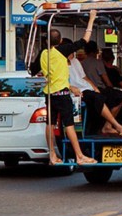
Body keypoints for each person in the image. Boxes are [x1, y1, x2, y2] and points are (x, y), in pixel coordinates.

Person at [40, 11, 98, 166]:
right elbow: (84, 40)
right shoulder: (62, 50)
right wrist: (91, 18)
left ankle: (52, 155)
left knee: (49, 125)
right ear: (59, 41)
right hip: (62, 92)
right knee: (69, 125)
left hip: (49, 93)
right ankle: (79, 156)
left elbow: (40, 73)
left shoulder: (43, 53)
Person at [67, 47, 122, 137]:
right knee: (98, 98)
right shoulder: (58, 63)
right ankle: (117, 126)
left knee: (120, 95)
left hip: (89, 88)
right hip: (78, 92)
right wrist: (71, 87)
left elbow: (85, 77)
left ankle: (107, 125)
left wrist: (95, 88)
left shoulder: (76, 61)